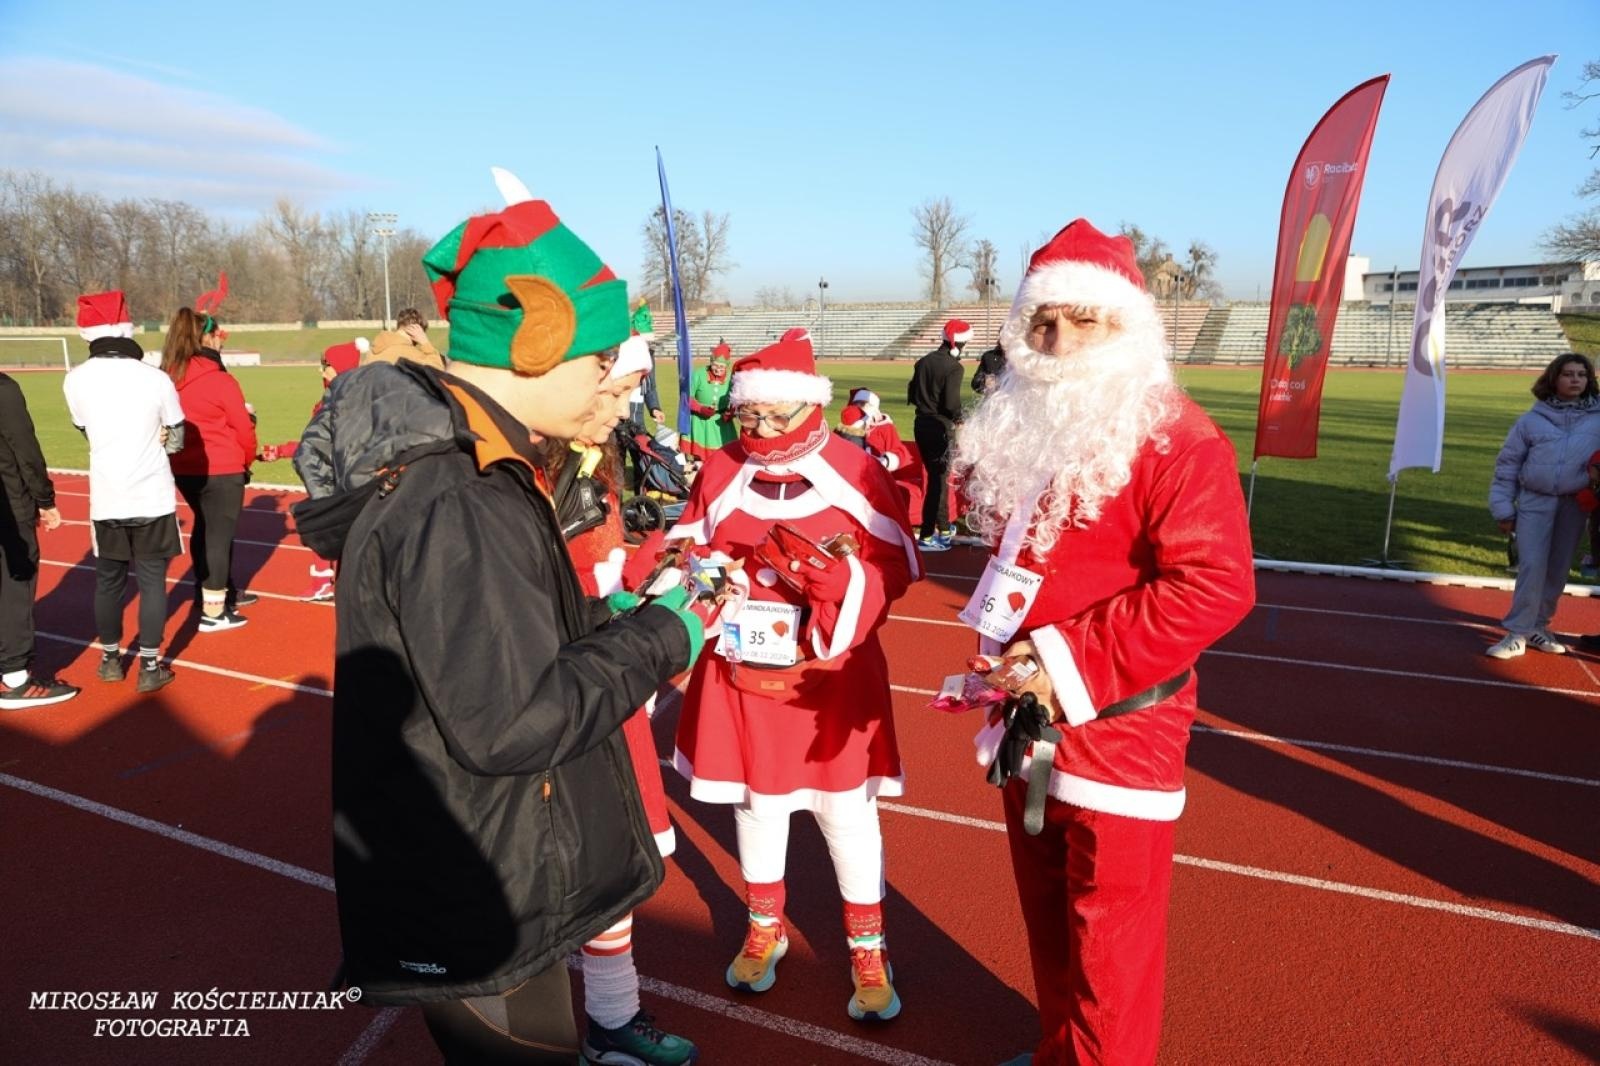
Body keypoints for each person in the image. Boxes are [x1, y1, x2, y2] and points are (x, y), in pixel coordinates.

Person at [294, 193, 706, 1064]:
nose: (614, 387)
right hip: (479, 884)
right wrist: (665, 638)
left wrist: (616, 617)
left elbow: (502, 642)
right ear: (540, 340)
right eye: (602, 360)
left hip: (486, 859)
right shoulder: (463, 493)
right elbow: (513, 719)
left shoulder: (481, 468)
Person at [950, 219, 1255, 1066]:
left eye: (1085, 320)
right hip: (1028, 715)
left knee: (1110, 939)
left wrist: (1059, 660)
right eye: (1043, 321)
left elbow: (1216, 586)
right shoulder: (1027, 426)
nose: (1058, 341)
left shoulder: (1181, 440)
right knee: (1048, 917)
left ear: (1129, 327)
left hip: (1122, 726)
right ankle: (1061, 1051)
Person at [668, 328, 922, 1023]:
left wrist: (841, 586)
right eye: (749, 415)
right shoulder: (721, 467)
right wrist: (707, 578)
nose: (761, 430)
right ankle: (765, 925)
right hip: (743, 670)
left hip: (829, 679)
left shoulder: (855, 468)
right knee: (756, 805)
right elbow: (686, 547)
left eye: (777, 416)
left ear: (811, 408)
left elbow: (899, 564)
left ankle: (868, 946)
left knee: (847, 812)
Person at [554, 334, 696, 1066]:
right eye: (614, 390)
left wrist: (652, 570)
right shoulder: (518, 473)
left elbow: (596, 569)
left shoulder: (591, 459)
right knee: (560, 866)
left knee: (612, 862)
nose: (624, 408)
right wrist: (617, 590)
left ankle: (612, 1017)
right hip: (556, 694)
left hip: (601, 680)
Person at [63, 290, 184, 693]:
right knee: (152, 582)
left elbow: (84, 430)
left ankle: (110, 661)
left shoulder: (74, 380)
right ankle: (150, 666)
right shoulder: (156, 378)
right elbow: (177, 439)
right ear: (126, 328)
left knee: (108, 582)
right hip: (152, 494)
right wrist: (160, 439)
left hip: (107, 495)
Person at [1485, 352, 1600, 659]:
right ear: (1554, 378)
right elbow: (1507, 465)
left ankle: (1539, 626)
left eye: (1581, 374)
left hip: (1575, 506)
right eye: (1568, 374)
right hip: (1534, 502)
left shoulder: (1598, 419)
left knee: (1558, 569)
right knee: (1532, 565)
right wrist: (1503, 508)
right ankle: (1516, 633)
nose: (1575, 380)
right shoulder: (1531, 421)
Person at [162, 305, 257, 631]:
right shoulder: (219, 379)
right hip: (221, 466)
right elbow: (243, 429)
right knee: (218, 536)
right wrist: (246, 459)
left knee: (205, 528)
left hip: (183, 467)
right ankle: (214, 613)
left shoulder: (169, 376)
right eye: (218, 334)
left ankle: (208, 593)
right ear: (208, 337)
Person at [259, 341, 366, 602]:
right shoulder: (358, 396)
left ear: (340, 367)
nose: (321, 370)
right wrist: (282, 450)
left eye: (325, 365)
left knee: (322, 525)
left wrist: (284, 451)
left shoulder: (332, 404)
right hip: (354, 475)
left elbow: (317, 446)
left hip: (334, 476)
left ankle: (322, 582)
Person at [0, 370, 78, 709]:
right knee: (14, 588)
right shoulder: (3, 390)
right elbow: (26, 450)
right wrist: (44, 499)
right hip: (8, 507)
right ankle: (15, 680)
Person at [907, 318, 970, 550]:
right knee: (937, 482)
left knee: (937, 479)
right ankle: (926, 535)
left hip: (921, 424)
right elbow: (951, 404)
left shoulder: (923, 361)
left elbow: (912, 394)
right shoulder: (954, 367)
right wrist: (960, 418)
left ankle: (943, 527)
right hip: (940, 427)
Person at [684, 340, 735, 459]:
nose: (717, 369)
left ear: (727, 366)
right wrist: (700, 409)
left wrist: (731, 413)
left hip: (722, 424)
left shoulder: (731, 378)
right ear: (711, 362)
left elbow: (736, 400)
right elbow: (686, 397)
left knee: (723, 457)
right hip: (700, 422)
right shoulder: (698, 374)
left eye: (721, 367)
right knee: (700, 459)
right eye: (715, 365)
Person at [365, 308, 444, 370]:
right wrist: (425, 342)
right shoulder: (412, 355)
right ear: (416, 330)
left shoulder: (372, 352)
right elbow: (438, 369)